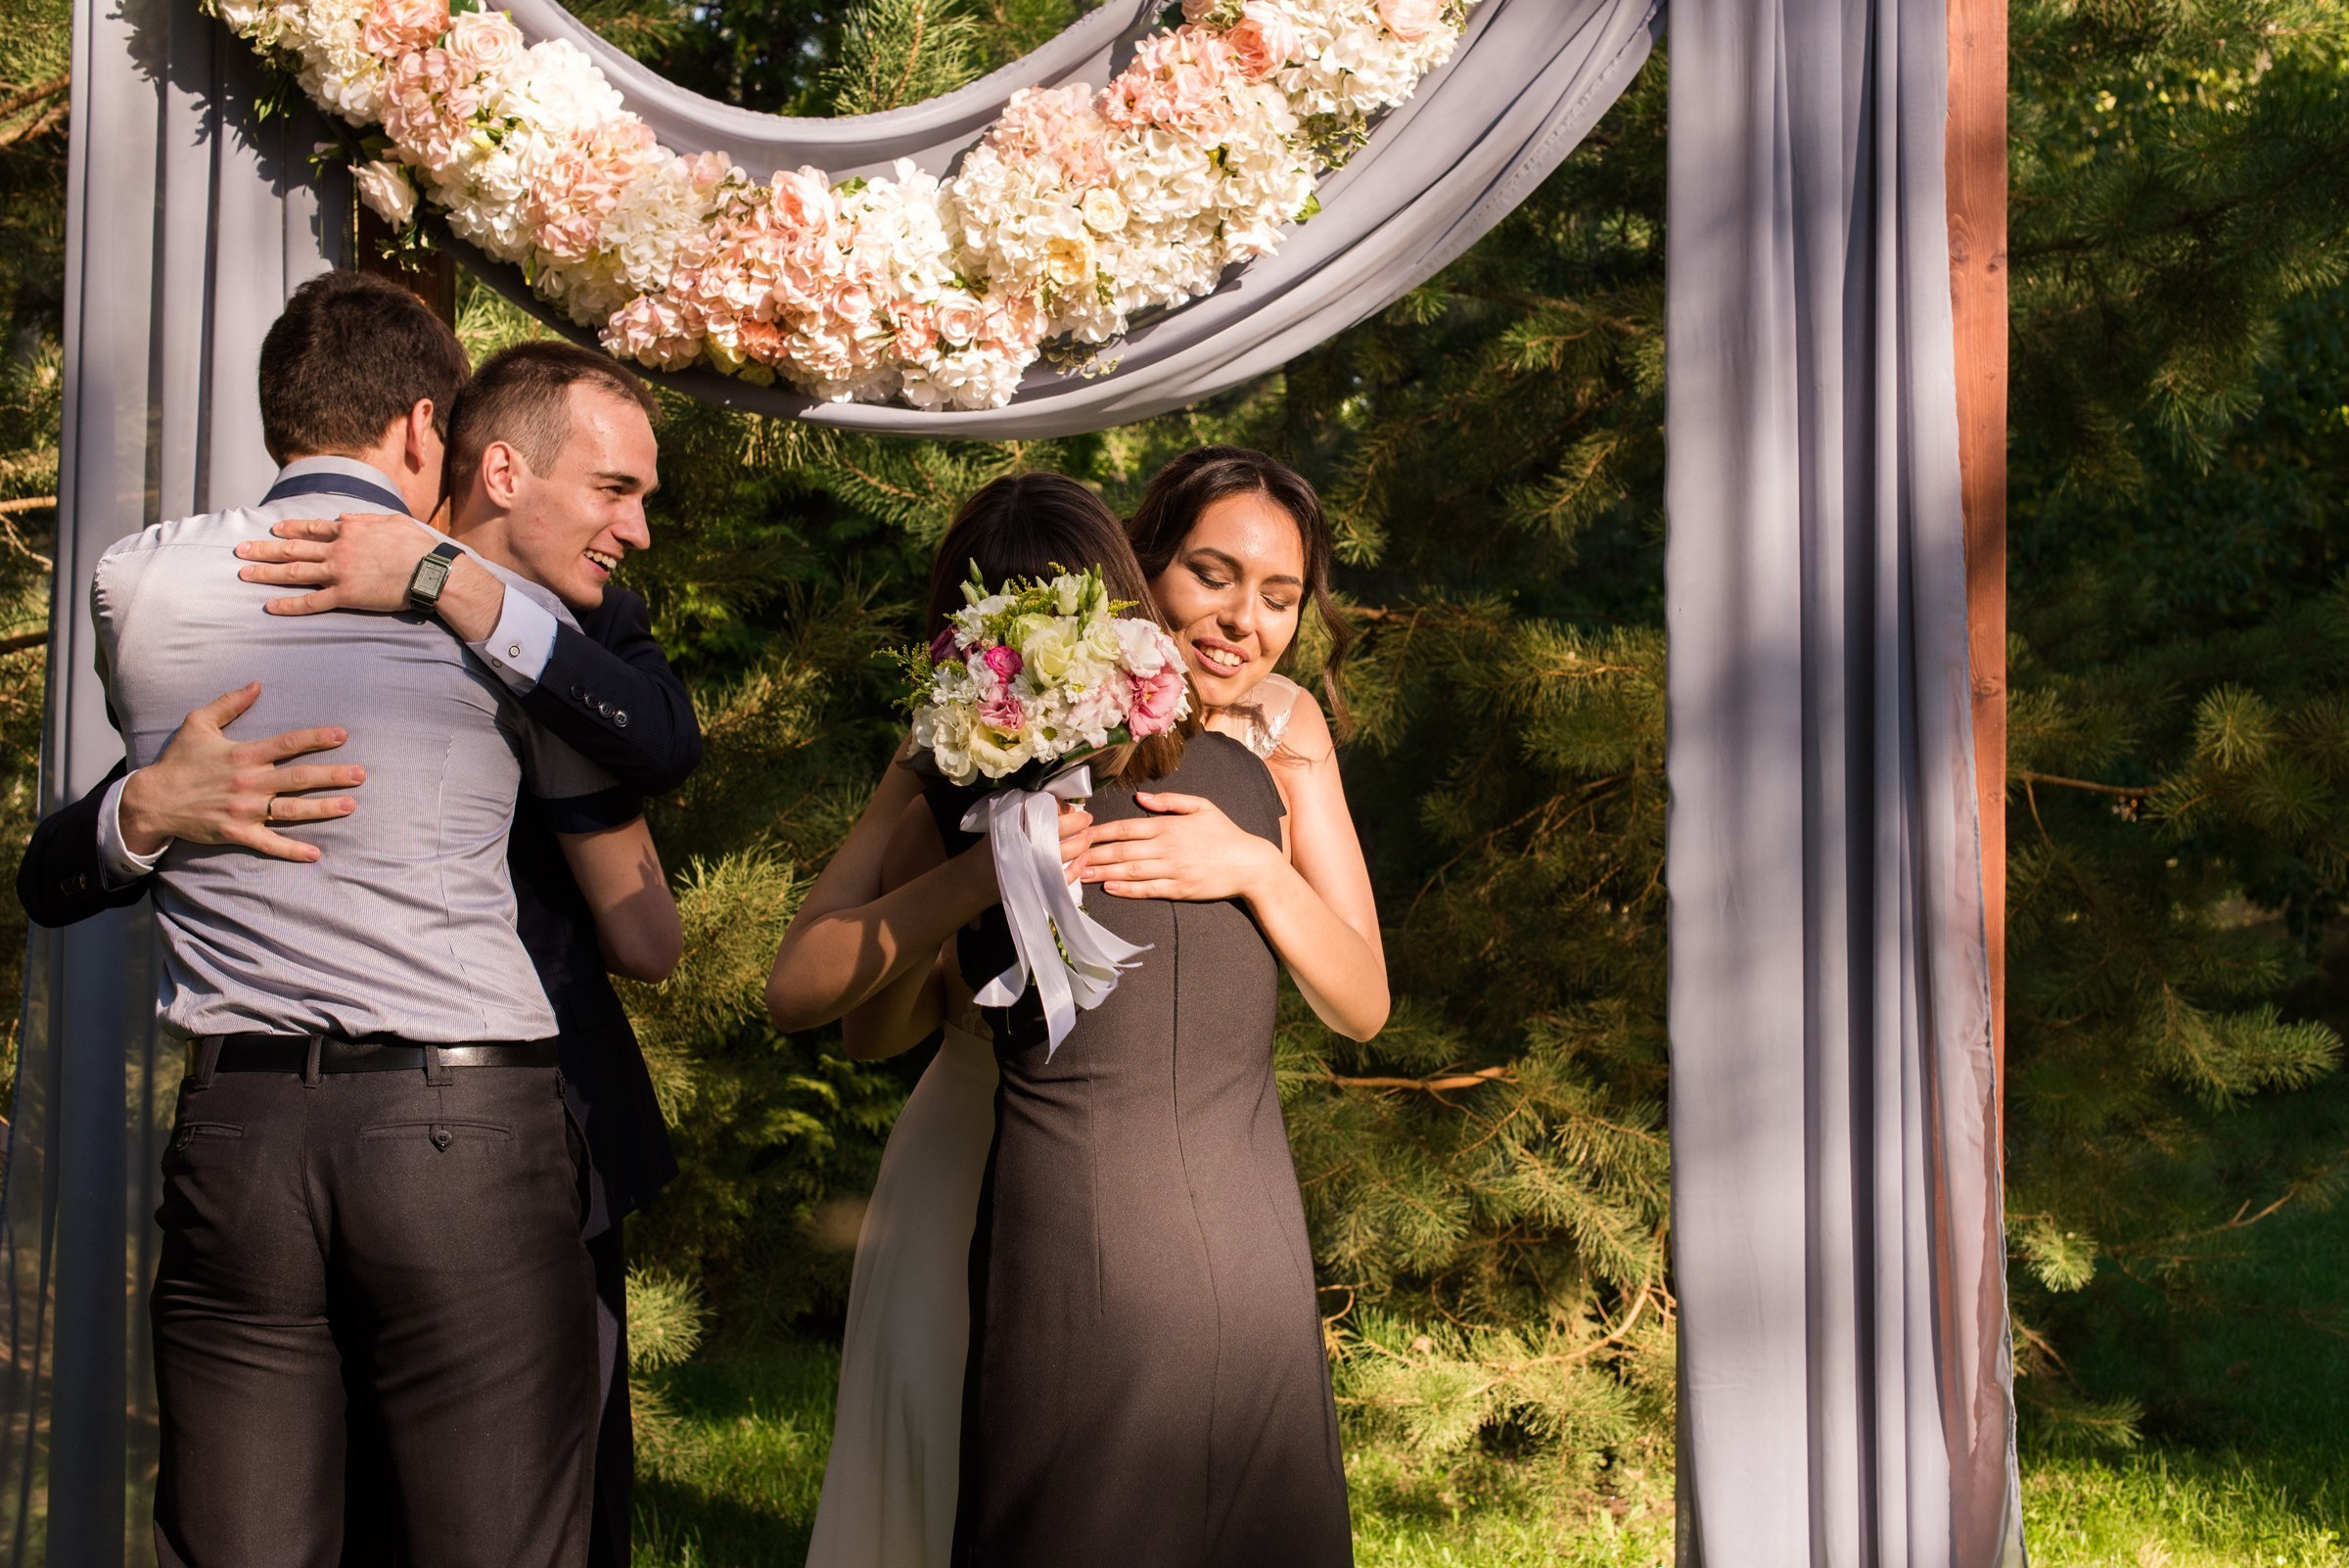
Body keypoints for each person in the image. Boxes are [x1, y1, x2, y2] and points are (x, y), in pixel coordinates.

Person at [18, 324, 702, 1568]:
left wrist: (449, 584)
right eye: (617, 490)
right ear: (434, 438)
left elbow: (658, 732)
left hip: (285, 1132)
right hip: (455, 1134)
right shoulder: (462, 607)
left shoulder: (165, 579)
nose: (635, 527)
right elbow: (652, 877)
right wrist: (143, 810)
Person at [773, 461, 1382, 1566]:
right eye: (1211, 574)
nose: (1245, 621)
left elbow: (1361, 1001)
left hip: (1165, 1169)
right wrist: (980, 879)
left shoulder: (1284, 737)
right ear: (1138, 572)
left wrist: (1251, 866)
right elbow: (870, 1027)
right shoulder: (974, 730)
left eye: (1282, 595)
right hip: (977, 1146)